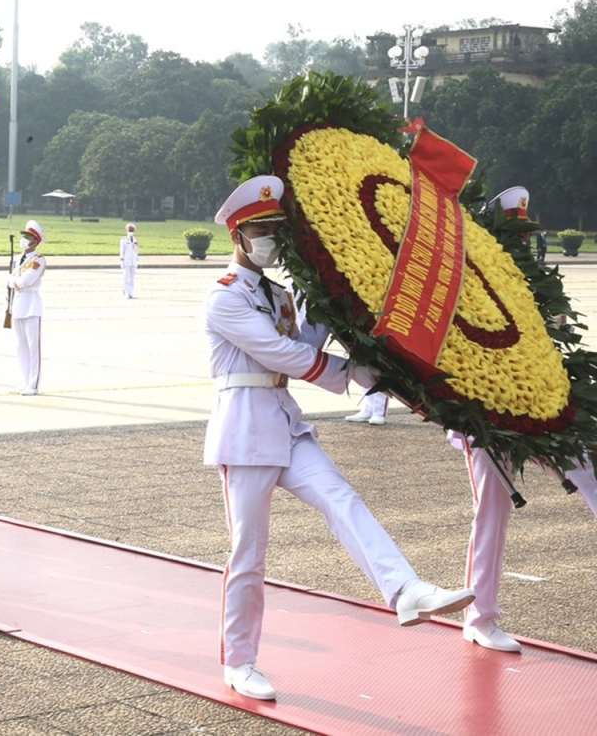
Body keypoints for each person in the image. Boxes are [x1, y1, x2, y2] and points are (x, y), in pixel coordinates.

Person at [206, 175, 474, 702]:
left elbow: (304, 337)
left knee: (342, 499)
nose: (272, 240)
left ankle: (405, 590)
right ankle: (239, 661)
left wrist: (338, 305)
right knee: (249, 554)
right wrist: (354, 373)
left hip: (284, 423)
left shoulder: (281, 294)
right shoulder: (223, 299)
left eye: (277, 230)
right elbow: (278, 354)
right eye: (262, 229)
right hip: (244, 431)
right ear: (238, 237)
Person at [449, 186, 588, 654]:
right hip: (488, 419)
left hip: (544, 409)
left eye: (527, 236)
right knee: (493, 511)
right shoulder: (470, 283)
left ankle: (480, 615)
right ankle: (479, 616)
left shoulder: (531, 284)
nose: (525, 245)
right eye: (516, 235)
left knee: (589, 473)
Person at [9, 220, 45, 396]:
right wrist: (14, 282)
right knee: (20, 346)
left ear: (35, 241)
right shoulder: (18, 259)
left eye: (28, 237)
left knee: (33, 347)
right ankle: (24, 381)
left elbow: (25, 281)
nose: (23, 240)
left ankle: (33, 384)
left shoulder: (38, 260)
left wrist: (14, 281)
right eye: (23, 236)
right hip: (18, 304)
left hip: (31, 304)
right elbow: (11, 281)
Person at [119, 223, 138, 299]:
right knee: (126, 277)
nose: (131, 231)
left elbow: (136, 251)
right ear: (127, 230)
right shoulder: (123, 240)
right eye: (130, 230)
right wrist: (121, 260)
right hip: (126, 261)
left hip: (133, 261)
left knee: (132, 278)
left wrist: (136, 260)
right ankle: (126, 292)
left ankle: (131, 292)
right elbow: (122, 251)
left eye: (132, 230)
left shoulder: (135, 240)